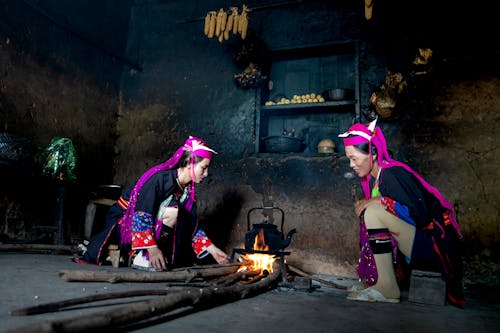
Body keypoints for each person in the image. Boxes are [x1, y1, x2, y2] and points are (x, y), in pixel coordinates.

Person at [338, 118, 465, 307]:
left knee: (373, 211)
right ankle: (377, 281)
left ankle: (387, 288)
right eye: (349, 159)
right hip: (422, 243)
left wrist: (379, 201)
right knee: (371, 210)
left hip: (435, 247)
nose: (351, 164)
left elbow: (421, 216)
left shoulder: (391, 175)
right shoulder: (379, 179)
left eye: (354, 158)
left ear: (372, 153)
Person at [76, 136, 230, 271]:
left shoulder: (188, 191)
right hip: (122, 223)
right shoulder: (159, 179)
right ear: (190, 164)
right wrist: (153, 249)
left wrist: (213, 250)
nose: (206, 174)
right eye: (203, 168)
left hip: (147, 226)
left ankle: (156, 253)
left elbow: (191, 224)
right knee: (172, 211)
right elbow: (142, 213)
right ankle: (142, 255)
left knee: (181, 215)